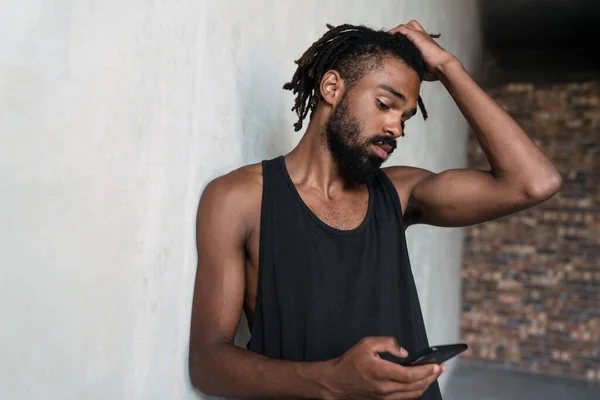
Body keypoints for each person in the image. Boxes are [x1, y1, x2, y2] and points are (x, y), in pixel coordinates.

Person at [188, 20, 561, 399]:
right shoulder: (239, 199)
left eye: (405, 117)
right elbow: (208, 362)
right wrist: (333, 380)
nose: (396, 128)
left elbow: (533, 182)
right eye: (385, 104)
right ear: (332, 87)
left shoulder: (399, 193)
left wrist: (449, 68)